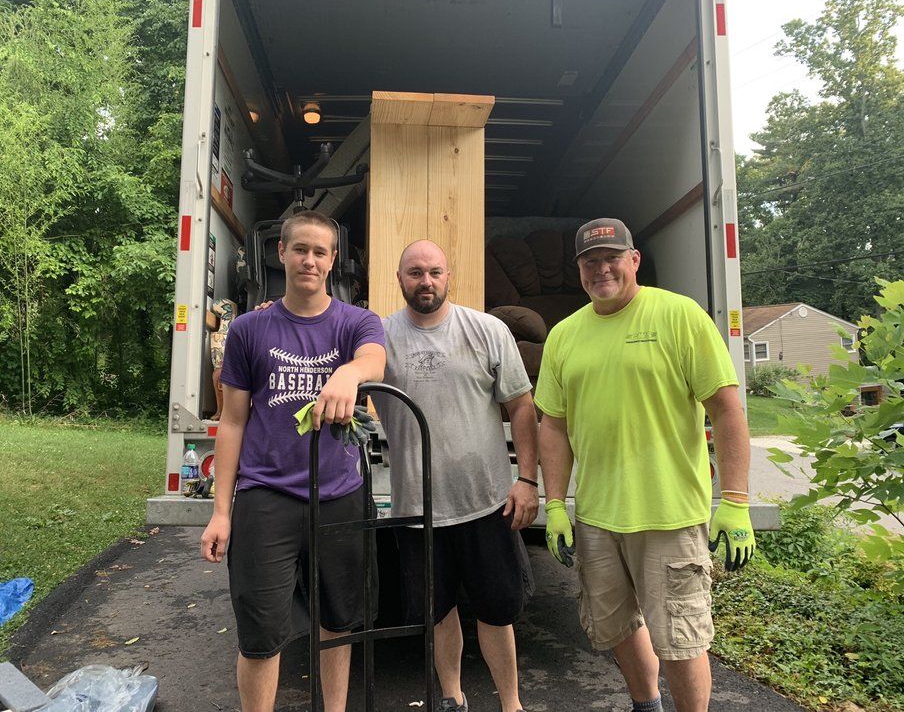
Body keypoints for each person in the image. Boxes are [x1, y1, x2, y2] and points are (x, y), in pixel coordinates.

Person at [535, 218, 755, 712]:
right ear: (579, 272)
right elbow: (552, 425)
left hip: (668, 514)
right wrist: (553, 505)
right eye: (590, 262)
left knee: (680, 639)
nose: (601, 269)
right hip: (596, 515)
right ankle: (645, 705)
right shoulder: (565, 336)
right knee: (613, 626)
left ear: (634, 260)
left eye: (612, 257)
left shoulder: (680, 315)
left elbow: (725, 407)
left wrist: (736, 501)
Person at [199, 211, 386, 712]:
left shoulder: (355, 322)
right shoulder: (249, 330)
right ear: (280, 254)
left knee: (338, 622)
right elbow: (233, 422)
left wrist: (348, 374)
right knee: (260, 633)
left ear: (333, 260)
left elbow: (374, 359)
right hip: (266, 498)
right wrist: (221, 512)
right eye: (299, 249)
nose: (310, 260)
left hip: (340, 495)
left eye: (320, 251)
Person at [372, 240, 538, 712]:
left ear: (449, 277)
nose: (426, 281)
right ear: (399, 279)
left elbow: (521, 405)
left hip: (486, 502)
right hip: (416, 508)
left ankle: (511, 704)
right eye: (415, 272)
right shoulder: (377, 337)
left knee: (497, 612)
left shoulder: (487, 330)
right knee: (438, 612)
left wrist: (527, 479)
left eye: (435, 272)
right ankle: (452, 699)